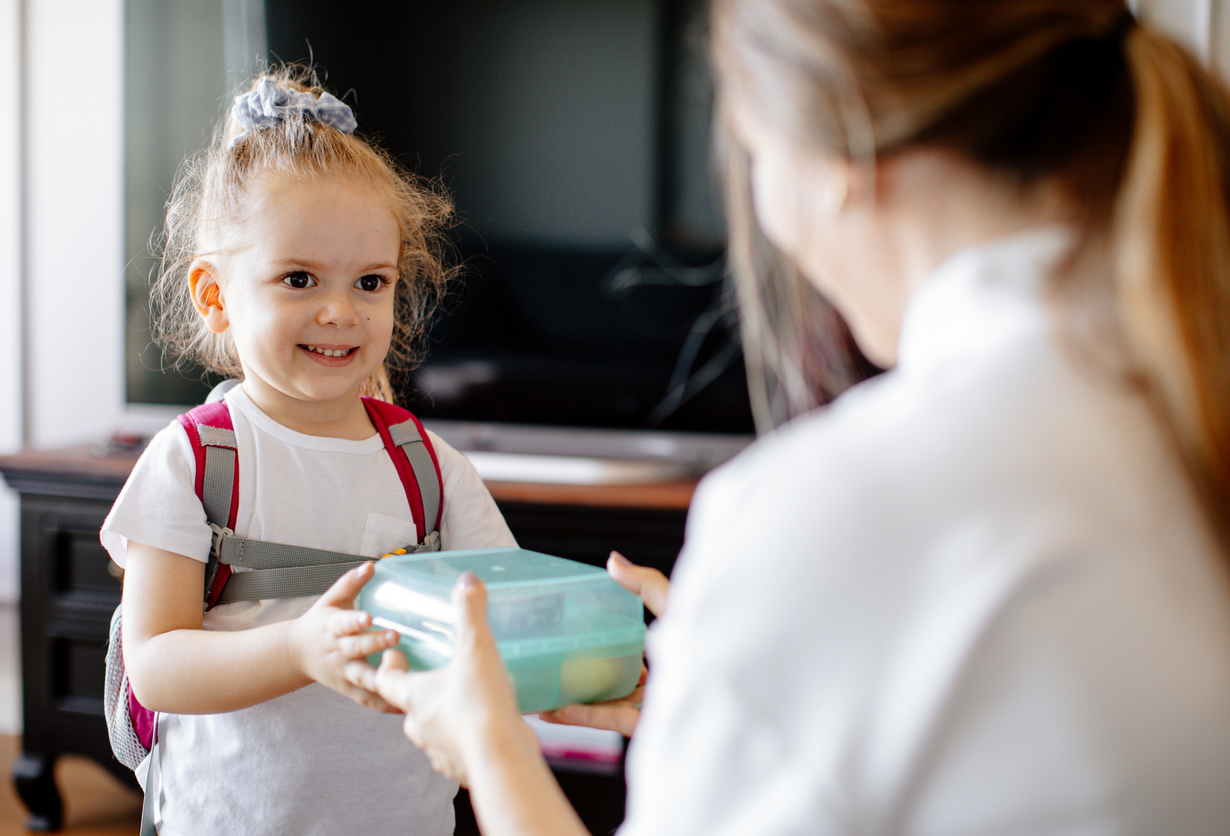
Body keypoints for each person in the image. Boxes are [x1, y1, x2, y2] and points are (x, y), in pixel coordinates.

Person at [342, 1, 1230, 834]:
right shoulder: (1186, 411)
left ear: (838, 155)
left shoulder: (821, 513)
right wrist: (734, 698)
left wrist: (486, 744)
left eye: (751, 151)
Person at [100, 67, 517, 836]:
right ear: (215, 295)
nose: (340, 311)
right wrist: (300, 648)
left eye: (370, 281)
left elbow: (503, 620)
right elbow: (155, 666)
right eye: (298, 278)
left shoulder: (429, 467)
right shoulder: (195, 461)